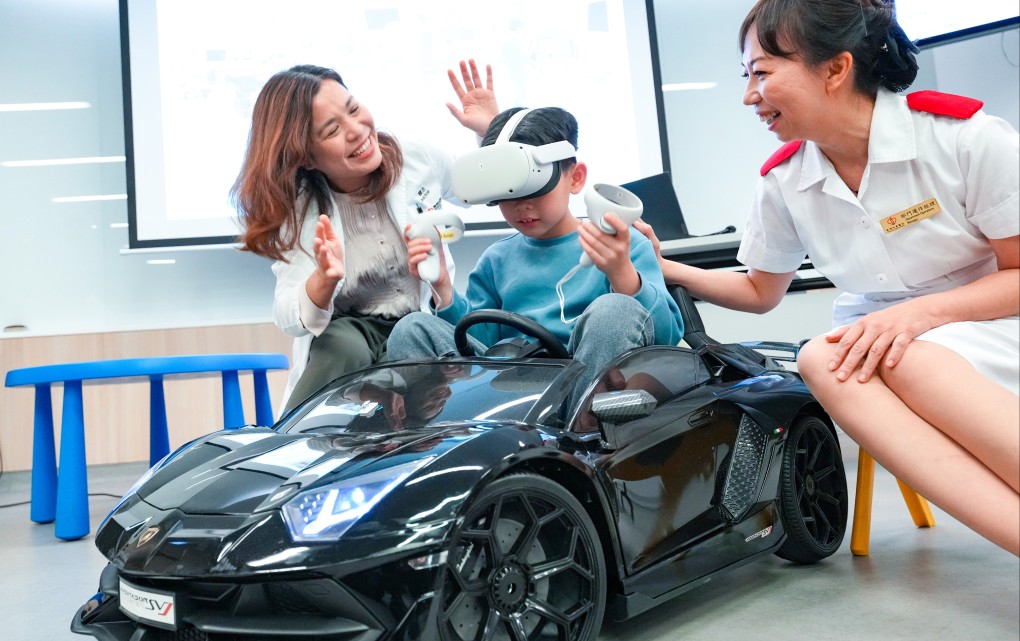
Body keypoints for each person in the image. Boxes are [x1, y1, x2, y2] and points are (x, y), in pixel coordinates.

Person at [637, 0, 1019, 554]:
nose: (749, 96)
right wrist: (662, 266)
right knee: (820, 356)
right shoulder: (785, 180)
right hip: (891, 343)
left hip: (992, 326)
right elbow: (760, 291)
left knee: (902, 354)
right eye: (746, 77)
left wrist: (916, 316)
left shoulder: (961, 139)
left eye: (762, 74)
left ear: (836, 69)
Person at [232, 60, 498, 412]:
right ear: (307, 157)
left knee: (413, 340)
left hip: (416, 326)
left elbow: (488, 188)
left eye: (354, 109)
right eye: (332, 130)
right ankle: (287, 448)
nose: (357, 130)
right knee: (341, 343)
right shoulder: (300, 208)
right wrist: (323, 280)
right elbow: (286, 314)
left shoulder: (415, 158)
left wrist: (491, 130)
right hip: (352, 335)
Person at [387, 106, 684, 410]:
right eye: (508, 195)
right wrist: (444, 288)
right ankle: (435, 438)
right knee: (413, 327)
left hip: (583, 391)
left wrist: (621, 273)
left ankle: (579, 432)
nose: (521, 207)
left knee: (615, 310)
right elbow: (475, 343)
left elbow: (666, 336)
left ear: (576, 178)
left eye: (534, 192)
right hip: (507, 391)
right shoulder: (496, 260)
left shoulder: (623, 246)